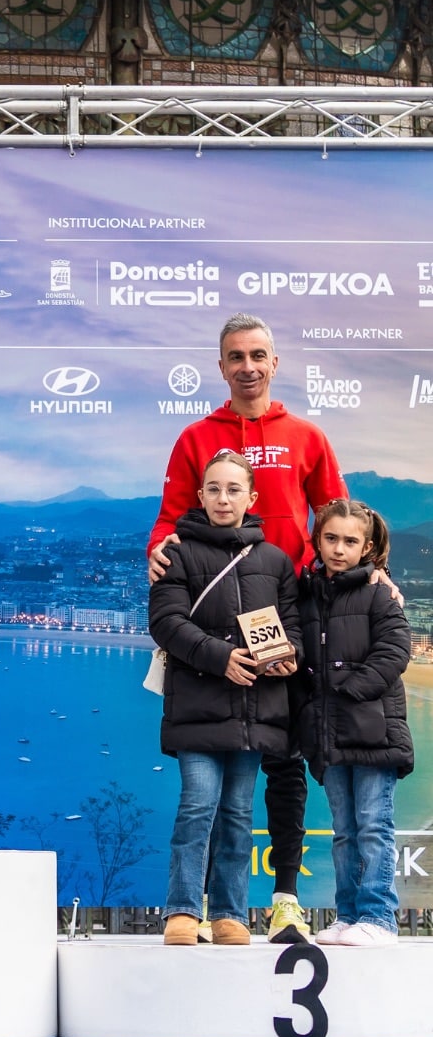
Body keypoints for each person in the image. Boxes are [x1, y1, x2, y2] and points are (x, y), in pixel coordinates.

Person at [147, 313, 346, 942]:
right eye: (236, 356)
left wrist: (368, 573)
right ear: (222, 366)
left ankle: (285, 896)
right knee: (213, 789)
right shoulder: (195, 437)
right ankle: (200, 906)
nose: (249, 366)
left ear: (275, 362)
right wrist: (156, 553)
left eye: (259, 354)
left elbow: (337, 515)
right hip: (214, 621)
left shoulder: (307, 435)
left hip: (291, 611)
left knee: (282, 763)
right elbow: (167, 520)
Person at [150, 451, 302, 946]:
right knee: (197, 805)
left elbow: (294, 630)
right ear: (200, 496)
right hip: (197, 706)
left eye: (234, 489)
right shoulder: (176, 553)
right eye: (214, 488)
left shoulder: (276, 561)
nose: (223, 498)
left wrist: (288, 657)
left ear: (252, 498)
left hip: (255, 711)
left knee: (239, 812)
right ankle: (182, 911)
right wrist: (222, 658)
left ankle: (231, 914)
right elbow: (168, 623)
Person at [297, 500, 412, 948]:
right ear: (317, 539)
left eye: (349, 541)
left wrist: (345, 690)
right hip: (329, 734)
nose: (338, 549)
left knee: (373, 825)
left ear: (366, 547)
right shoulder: (306, 593)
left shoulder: (380, 593)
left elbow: (394, 651)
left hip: (374, 730)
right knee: (344, 831)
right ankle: (348, 916)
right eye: (331, 539)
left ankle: (380, 917)